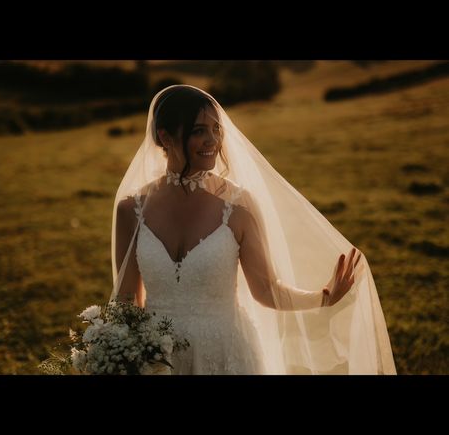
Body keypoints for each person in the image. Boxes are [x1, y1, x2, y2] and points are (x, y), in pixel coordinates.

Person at [111, 85, 396, 375]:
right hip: (157, 359)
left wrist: (323, 297)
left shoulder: (237, 206)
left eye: (216, 129)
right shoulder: (131, 211)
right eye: (199, 130)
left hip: (225, 356)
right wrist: (115, 353)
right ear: (165, 137)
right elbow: (126, 302)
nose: (213, 140)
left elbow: (266, 289)